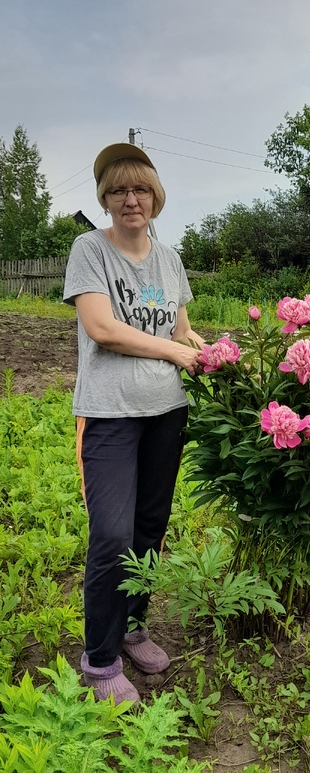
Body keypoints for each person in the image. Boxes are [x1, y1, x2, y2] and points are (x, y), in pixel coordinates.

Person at [63, 142, 205, 703]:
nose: (130, 199)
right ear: (105, 198)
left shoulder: (170, 260)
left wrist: (213, 352)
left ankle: (133, 628)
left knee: (149, 529)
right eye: (118, 190)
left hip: (166, 413)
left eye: (140, 189)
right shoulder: (89, 249)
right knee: (113, 535)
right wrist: (175, 354)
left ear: (155, 196)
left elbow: (181, 330)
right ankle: (99, 659)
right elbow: (103, 328)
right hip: (109, 414)